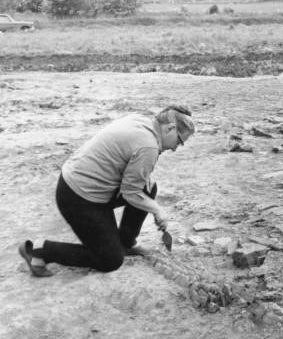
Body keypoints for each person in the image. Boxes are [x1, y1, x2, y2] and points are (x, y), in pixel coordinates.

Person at [18, 106, 195, 277]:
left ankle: (126, 243)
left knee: (148, 187)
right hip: (78, 198)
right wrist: (157, 210)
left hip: (80, 185)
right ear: (170, 128)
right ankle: (40, 250)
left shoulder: (142, 121)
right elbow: (130, 193)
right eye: (179, 141)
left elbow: (134, 182)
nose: (175, 148)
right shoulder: (148, 146)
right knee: (110, 259)